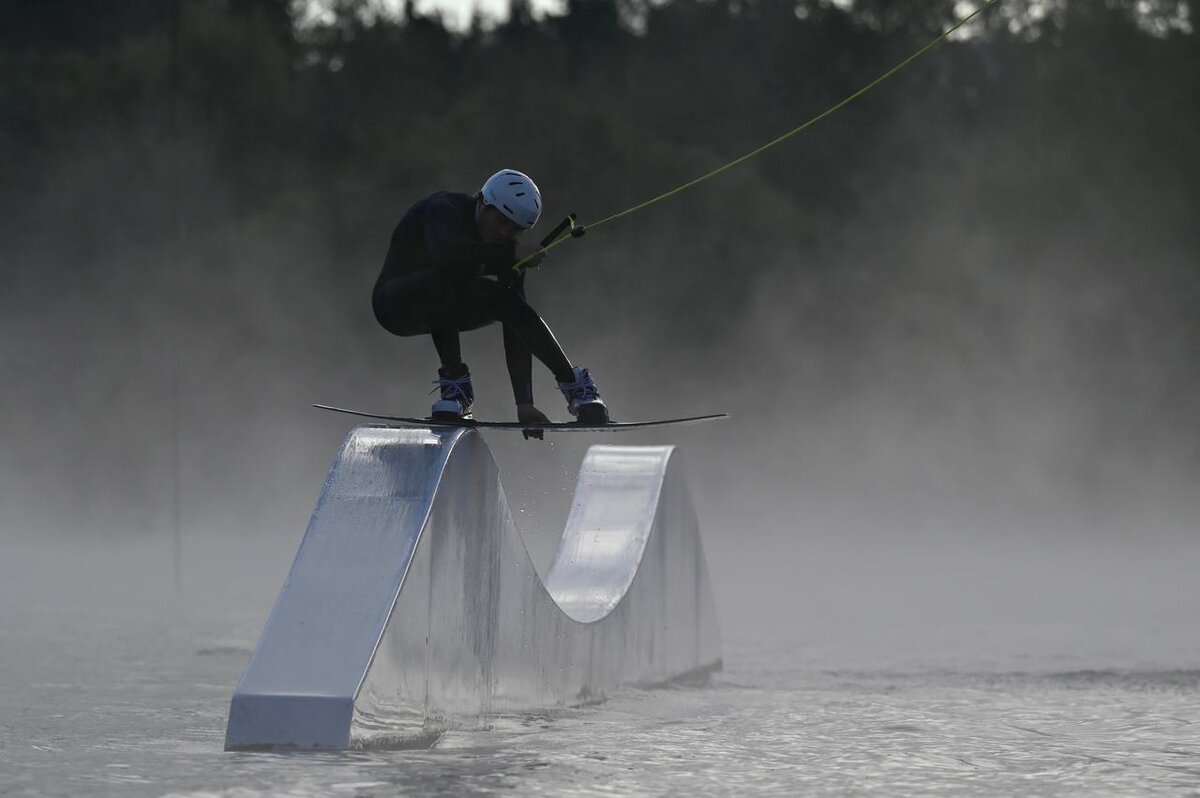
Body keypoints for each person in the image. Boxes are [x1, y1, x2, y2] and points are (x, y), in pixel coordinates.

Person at [372, 169, 609, 428]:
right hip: (393, 305)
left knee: (507, 300)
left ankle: (575, 387)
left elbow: (518, 322)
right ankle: (455, 385)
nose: (505, 233)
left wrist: (524, 402)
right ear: (484, 203)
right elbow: (449, 256)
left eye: (515, 229)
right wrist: (511, 252)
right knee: (445, 277)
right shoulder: (443, 209)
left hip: (444, 306)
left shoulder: (505, 251)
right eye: (501, 222)